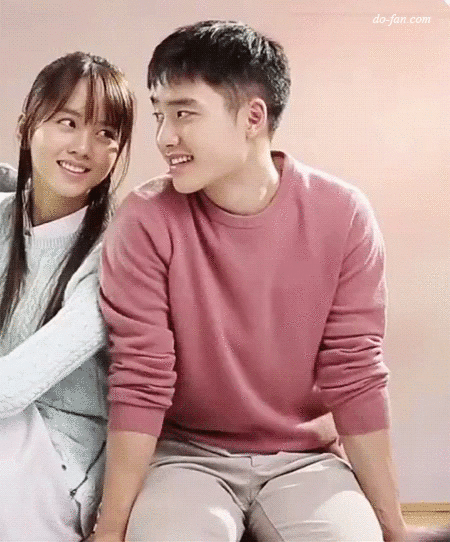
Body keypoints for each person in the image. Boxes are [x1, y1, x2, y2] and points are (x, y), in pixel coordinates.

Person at [95, 21, 437, 542]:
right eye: (160, 114)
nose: (164, 137)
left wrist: (392, 529)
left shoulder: (343, 214)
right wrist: (109, 531)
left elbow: (356, 373)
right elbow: (141, 377)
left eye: (184, 113)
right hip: (185, 458)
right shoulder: (145, 220)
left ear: (253, 117)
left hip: (305, 460)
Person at [0, 52, 134, 541]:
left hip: (61, 453)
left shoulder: (118, 249)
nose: (84, 147)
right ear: (27, 125)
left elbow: (13, 386)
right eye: (68, 122)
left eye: (106, 133)